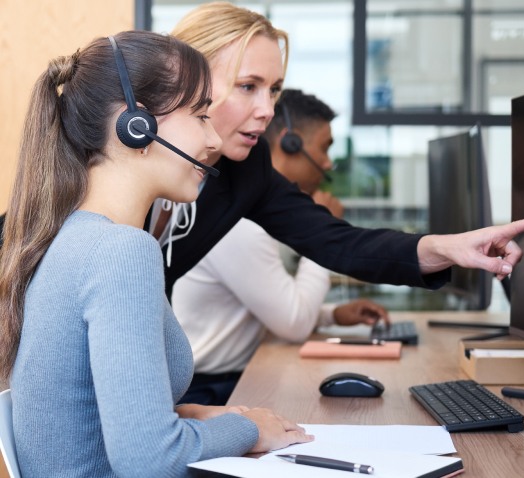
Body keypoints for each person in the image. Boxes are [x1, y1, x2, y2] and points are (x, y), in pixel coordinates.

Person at [0, 31, 312, 478]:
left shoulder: (69, 237)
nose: (214, 141)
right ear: (136, 125)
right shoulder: (121, 252)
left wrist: (187, 416)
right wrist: (247, 429)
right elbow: (150, 460)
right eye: (201, 115)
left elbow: (85, 416)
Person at [147, 0, 524, 305]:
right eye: (248, 86)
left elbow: (342, 244)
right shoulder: (128, 163)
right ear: (189, 81)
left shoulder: (247, 171)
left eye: (273, 89)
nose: (268, 110)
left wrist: (449, 247)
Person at [172, 89, 389, 406]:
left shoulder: (252, 208)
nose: (329, 164)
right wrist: (322, 233)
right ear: (291, 144)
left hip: (229, 378)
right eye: (325, 149)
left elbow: (269, 308)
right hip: (208, 392)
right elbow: (294, 324)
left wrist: (331, 316)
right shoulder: (240, 222)